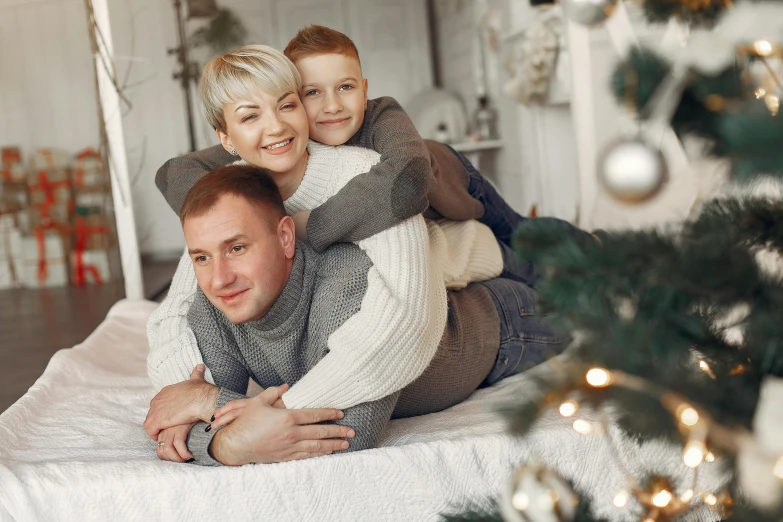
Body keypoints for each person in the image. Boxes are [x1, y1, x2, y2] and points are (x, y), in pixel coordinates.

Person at [146, 44, 538, 425]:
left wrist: (284, 410)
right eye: (251, 116)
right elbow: (178, 310)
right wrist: (186, 400)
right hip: (446, 298)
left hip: (478, 278)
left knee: (577, 284)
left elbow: (404, 317)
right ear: (226, 140)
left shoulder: (366, 177)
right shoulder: (229, 199)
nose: (276, 126)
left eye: (287, 105)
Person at [147, 165, 560, 465]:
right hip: (480, 328)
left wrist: (214, 416)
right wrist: (223, 436)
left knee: (588, 308)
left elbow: (353, 429)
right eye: (202, 256)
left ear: (285, 237)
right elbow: (178, 426)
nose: (219, 278)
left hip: (497, 328)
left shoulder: (345, 281)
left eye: (237, 248)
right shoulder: (211, 306)